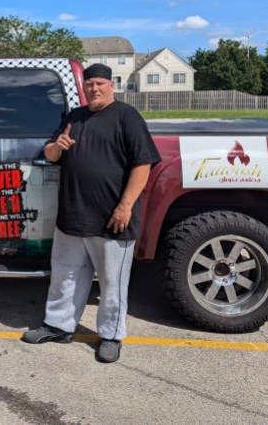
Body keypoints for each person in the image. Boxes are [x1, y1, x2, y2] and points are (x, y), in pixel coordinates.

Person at [21, 63, 161, 363]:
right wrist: (56, 146)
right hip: (72, 214)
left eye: (100, 84)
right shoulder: (74, 117)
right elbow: (50, 153)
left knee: (112, 280)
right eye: (90, 84)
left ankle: (111, 335)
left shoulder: (126, 116)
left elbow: (143, 164)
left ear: (112, 86)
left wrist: (125, 206)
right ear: (83, 88)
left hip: (112, 217)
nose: (94, 88)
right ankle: (59, 326)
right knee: (65, 275)